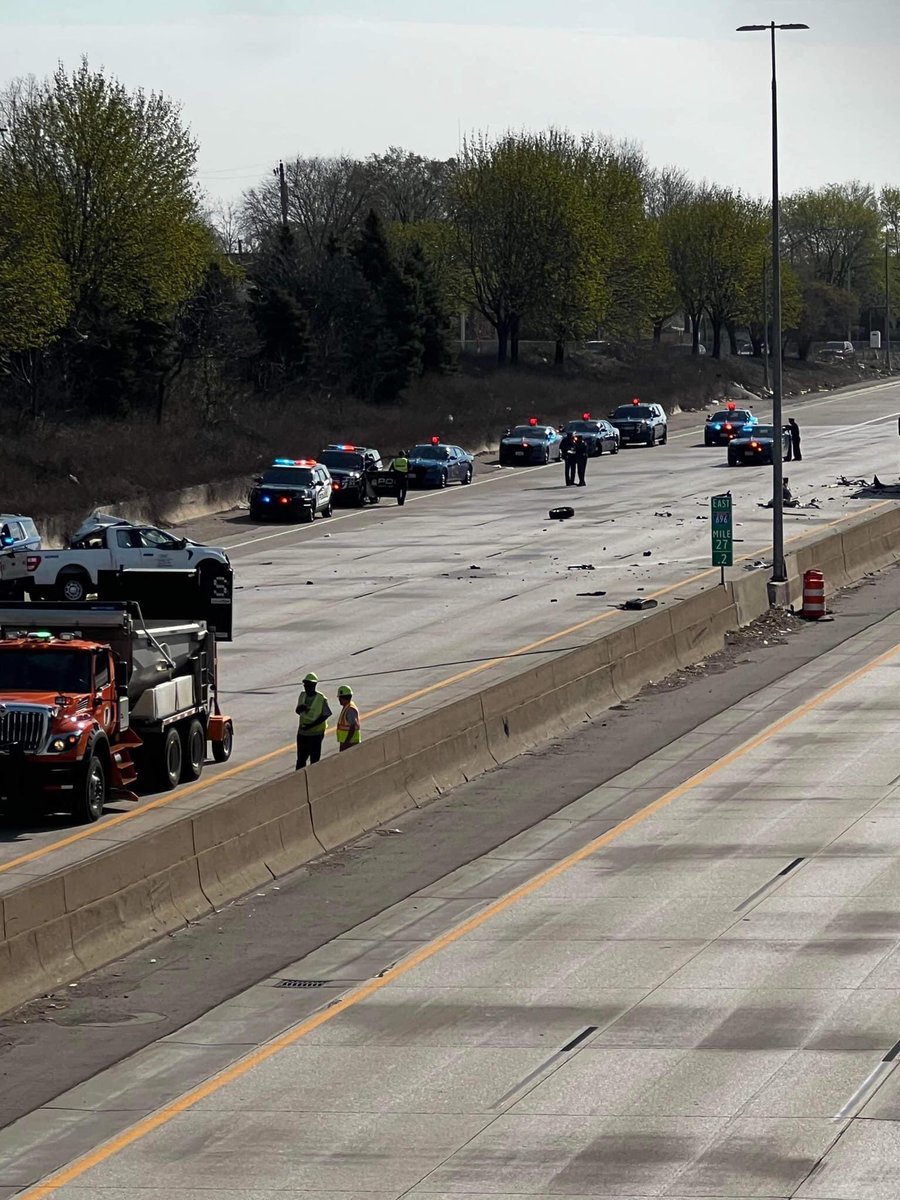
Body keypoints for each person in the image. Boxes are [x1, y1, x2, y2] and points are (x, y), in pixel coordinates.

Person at [295, 672, 332, 769]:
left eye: (308, 685)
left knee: (314, 760)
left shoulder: (321, 698)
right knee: (301, 760)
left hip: (316, 734)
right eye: (305, 685)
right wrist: (300, 709)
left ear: (314, 685)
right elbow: (298, 711)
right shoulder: (302, 696)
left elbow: (326, 714)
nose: (306, 687)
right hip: (303, 733)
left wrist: (311, 726)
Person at [336, 684, 361, 751]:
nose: (339, 700)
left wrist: (346, 743)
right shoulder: (347, 707)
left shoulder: (350, 709)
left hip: (350, 744)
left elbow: (353, 726)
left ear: (343, 698)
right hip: (348, 742)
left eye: (339, 698)